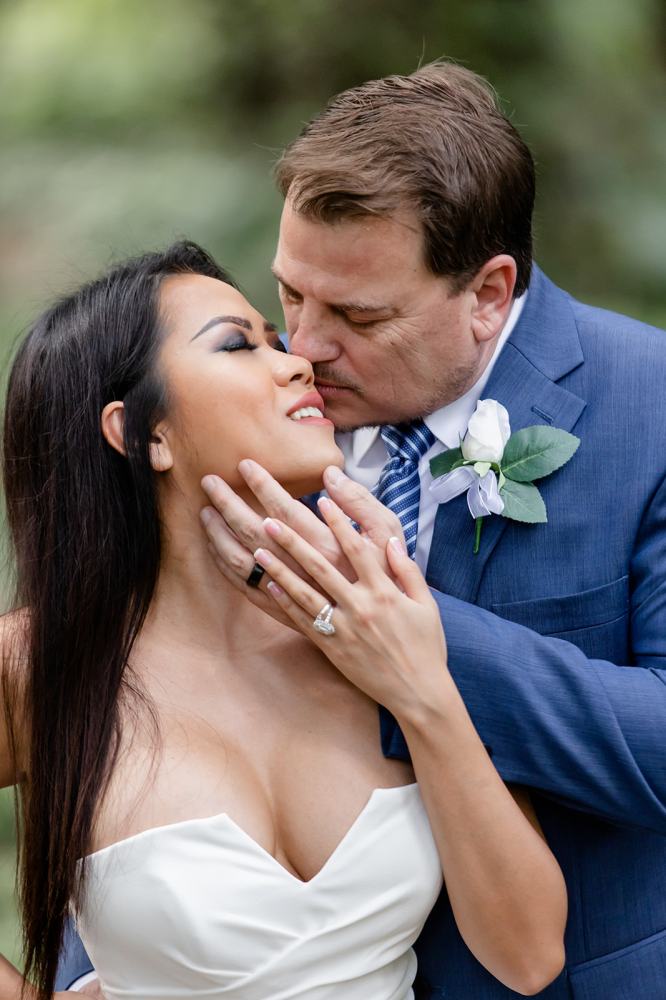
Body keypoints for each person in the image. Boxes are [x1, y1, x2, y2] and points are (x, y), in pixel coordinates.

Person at [193, 64, 666, 999]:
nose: (305, 346)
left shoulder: (649, 406)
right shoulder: (247, 402)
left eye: (359, 315)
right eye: (292, 294)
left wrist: (401, 628)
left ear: (489, 293)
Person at [0, 240, 566, 1000]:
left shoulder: (376, 622)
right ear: (144, 433)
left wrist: (421, 689)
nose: (297, 361)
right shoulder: (43, 663)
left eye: (275, 338)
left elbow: (529, 957)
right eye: (238, 345)